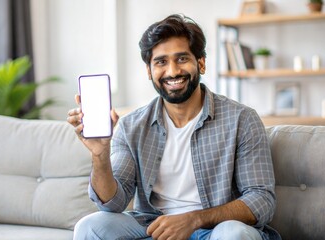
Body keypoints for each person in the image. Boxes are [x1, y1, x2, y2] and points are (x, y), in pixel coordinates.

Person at [67, 14, 280, 240]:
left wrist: (194, 219)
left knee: (234, 234)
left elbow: (262, 200)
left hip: (216, 229)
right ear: (149, 71)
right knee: (89, 226)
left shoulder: (242, 119)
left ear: (201, 63)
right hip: (154, 228)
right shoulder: (131, 126)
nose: (172, 71)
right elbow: (113, 203)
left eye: (181, 59)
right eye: (161, 62)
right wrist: (100, 156)